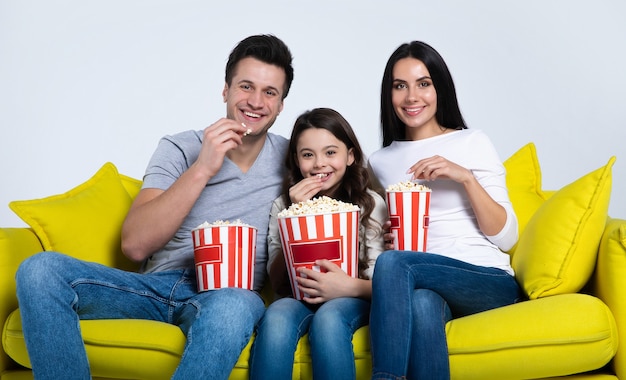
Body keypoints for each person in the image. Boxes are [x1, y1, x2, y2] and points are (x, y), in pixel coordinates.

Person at [15, 34, 294, 380]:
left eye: (270, 92)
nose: (255, 101)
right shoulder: (180, 148)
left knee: (236, 304)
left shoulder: (293, 159)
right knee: (39, 271)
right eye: (246, 86)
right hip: (153, 288)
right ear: (225, 90)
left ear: (281, 105)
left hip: (227, 295)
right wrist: (203, 167)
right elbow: (135, 245)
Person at [367, 41, 523, 380]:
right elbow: (382, 234)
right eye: (400, 86)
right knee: (422, 306)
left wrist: (464, 177)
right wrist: (388, 235)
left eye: (424, 84)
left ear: (440, 88)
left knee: (393, 264)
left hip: (485, 279)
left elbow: (508, 237)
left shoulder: (471, 142)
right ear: (388, 94)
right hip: (425, 282)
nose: (412, 97)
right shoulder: (380, 162)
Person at [249, 108, 387, 380]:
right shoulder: (283, 205)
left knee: (329, 319)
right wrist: (295, 216)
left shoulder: (370, 204)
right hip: (297, 299)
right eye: (308, 154)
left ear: (350, 156)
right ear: (297, 161)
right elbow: (276, 283)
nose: (319, 163)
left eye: (330, 152)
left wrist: (346, 287)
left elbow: (382, 282)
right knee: (276, 315)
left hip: (353, 299)